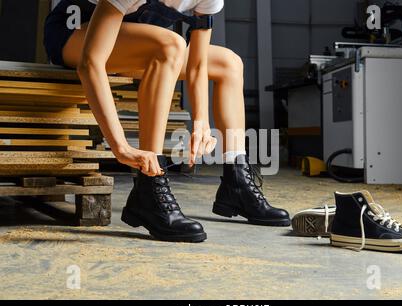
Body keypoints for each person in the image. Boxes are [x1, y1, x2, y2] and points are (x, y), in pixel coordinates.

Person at [43, 0, 291, 243]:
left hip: (131, 42)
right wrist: (120, 146)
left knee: (229, 63)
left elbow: (197, 63)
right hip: (76, 33)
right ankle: (149, 185)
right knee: (170, 44)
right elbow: (91, 62)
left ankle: (237, 183)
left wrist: (202, 121)